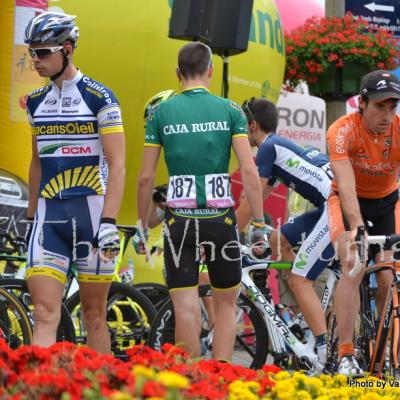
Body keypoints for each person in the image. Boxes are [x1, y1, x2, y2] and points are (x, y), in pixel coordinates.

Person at [135, 41, 265, 361]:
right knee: (224, 306)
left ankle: (190, 384)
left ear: (177, 74)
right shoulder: (231, 111)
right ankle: (220, 381)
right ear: (210, 70)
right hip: (220, 219)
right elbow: (249, 170)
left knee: (186, 307)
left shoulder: (161, 113)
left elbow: (144, 178)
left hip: (179, 221)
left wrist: (141, 223)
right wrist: (259, 222)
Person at [24, 12, 125, 352]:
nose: (35, 60)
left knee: (94, 315)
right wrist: (29, 214)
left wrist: (110, 220)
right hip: (49, 219)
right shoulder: (36, 102)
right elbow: (36, 161)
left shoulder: (100, 97)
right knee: (43, 313)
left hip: (94, 218)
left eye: (43, 52)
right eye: (31, 52)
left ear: (67, 48)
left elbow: (118, 164)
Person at [236, 98, 334, 374]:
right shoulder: (278, 146)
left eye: (244, 126)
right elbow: (256, 197)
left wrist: (226, 235)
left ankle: (323, 357)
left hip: (335, 206)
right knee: (278, 241)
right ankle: (304, 319)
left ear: (252, 125)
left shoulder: (267, 147)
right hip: (331, 202)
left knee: (298, 279)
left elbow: (249, 202)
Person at [327, 70, 400, 377]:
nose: (386, 115)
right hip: (348, 201)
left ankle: (384, 356)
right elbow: (345, 187)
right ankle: (346, 353)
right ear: (362, 103)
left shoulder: (398, 129)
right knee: (353, 264)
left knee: (388, 278)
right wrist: (357, 227)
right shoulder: (342, 130)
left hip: (386, 202)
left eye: (392, 107)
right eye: (379, 106)